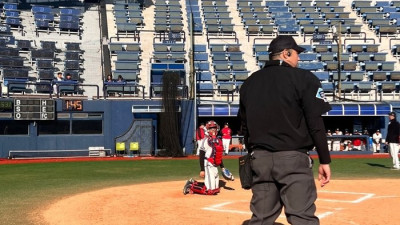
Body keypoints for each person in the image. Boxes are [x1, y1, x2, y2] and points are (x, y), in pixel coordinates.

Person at [238, 35, 331, 225]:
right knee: (302, 218)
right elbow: (315, 123)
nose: (299, 58)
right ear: (286, 53)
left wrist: (253, 154)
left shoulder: (249, 83)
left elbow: (245, 127)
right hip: (293, 160)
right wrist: (324, 159)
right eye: (296, 53)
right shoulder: (305, 78)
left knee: (261, 220)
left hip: (260, 160)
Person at [183, 120, 224, 195]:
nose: (213, 130)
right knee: (210, 191)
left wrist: (223, 167)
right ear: (208, 130)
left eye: (214, 128)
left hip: (215, 165)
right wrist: (202, 169)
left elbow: (218, 155)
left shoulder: (218, 140)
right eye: (211, 128)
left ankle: (194, 183)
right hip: (208, 164)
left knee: (216, 189)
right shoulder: (205, 140)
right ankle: (190, 186)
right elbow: (201, 155)